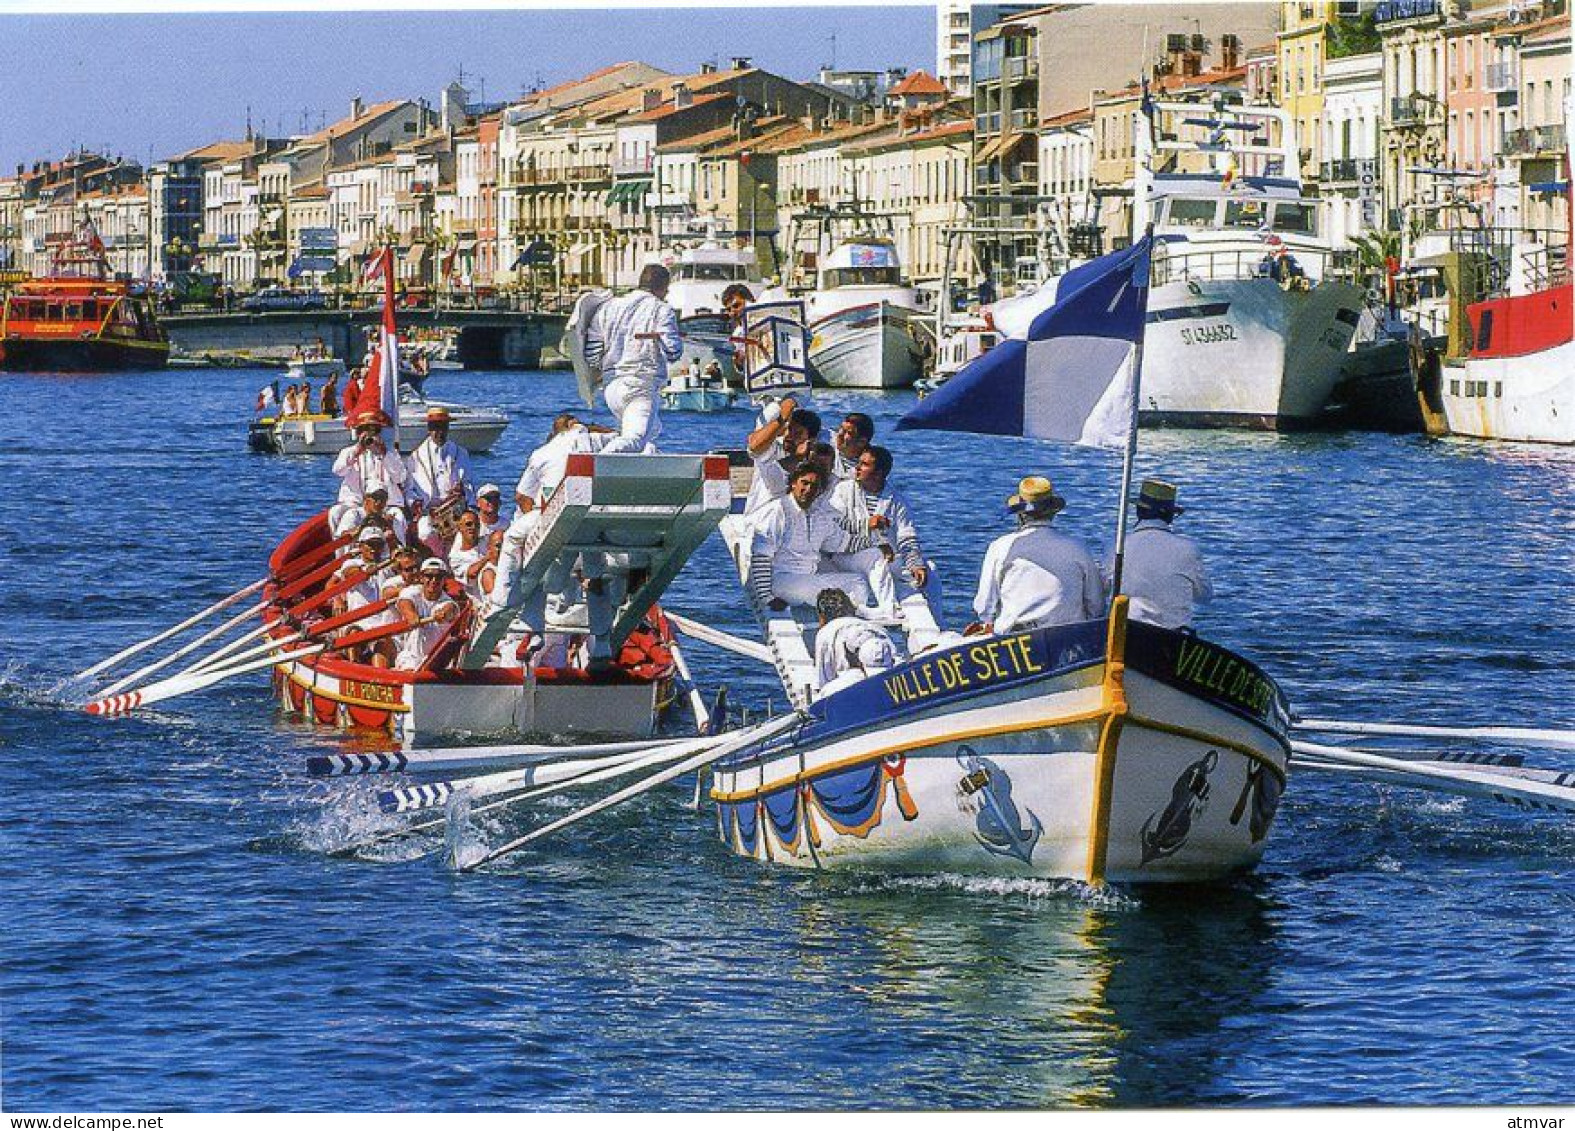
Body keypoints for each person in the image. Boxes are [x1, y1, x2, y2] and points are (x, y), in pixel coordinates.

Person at [969, 476, 1105, 636]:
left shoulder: (1001, 548)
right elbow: (1096, 607)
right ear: (1053, 512)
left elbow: (984, 607)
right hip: (1067, 639)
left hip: (1014, 641)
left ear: (1020, 514)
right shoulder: (1078, 548)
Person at [584, 263, 683, 454]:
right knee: (635, 440)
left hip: (612, 388)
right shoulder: (661, 310)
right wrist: (666, 338)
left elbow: (592, 354)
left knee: (650, 434)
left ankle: (642, 474)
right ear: (662, 287)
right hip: (640, 386)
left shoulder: (607, 308)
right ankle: (594, 466)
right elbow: (673, 352)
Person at [748, 463, 875, 611]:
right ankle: (846, 614)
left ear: (819, 491)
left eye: (814, 486)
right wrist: (767, 598)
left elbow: (846, 543)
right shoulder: (778, 510)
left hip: (809, 579)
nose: (808, 489)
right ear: (794, 483)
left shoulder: (819, 515)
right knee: (823, 589)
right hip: (782, 581)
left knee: (858, 582)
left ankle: (852, 618)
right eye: (804, 483)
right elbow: (760, 556)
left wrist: (876, 544)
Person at [826, 445, 933, 617]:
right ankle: (889, 609)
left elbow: (907, 536)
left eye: (864, 464)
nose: (857, 468)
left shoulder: (897, 500)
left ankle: (937, 627)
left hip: (886, 559)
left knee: (929, 572)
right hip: (846, 555)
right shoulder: (843, 490)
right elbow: (833, 525)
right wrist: (867, 524)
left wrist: (916, 565)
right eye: (859, 463)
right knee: (875, 556)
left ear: (879, 473)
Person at [1112, 479, 1213, 630]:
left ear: (1139, 511)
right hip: (1174, 636)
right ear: (1170, 516)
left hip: (1125, 631)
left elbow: (1103, 590)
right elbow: (1205, 596)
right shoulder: (1188, 549)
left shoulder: (1117, 546)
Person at [329, 410, 409, 535]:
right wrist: (357, 451)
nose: (370, 436)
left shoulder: (390, 453)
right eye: (366, 431)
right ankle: (340, 551)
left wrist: (385, 454)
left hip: (385, 505)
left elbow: (400, 478)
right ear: (359, 433)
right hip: (356, 504)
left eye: (375, 431)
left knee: (398, 517)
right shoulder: (348, 452)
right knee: (335, 512)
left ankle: (399, 550)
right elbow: (338, 471)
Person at [406, 405, 474, 548]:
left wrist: (462, 490)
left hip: (455, 509)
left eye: (443, 427)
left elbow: (469, 484)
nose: (439, 432)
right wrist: (415, 504)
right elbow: (409, 490)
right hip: (429, 511)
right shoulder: (416, 456)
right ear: (429, 429)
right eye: (435, 428)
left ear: (448, 428)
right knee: (425, 533)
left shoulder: (461, 453)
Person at [743, 398, 821, 515]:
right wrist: (782, 418)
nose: (789, 436)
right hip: (762, 519)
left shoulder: (815, 457)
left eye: (798, 434)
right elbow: (754, 447)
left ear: (810, 439)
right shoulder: (774, 448)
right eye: (789, 430)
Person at [812, 587, 896, 691]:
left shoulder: (826, 632)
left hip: (855, 682)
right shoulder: (876, 628)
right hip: (890, 680)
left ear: (822, 616)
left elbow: (823, 679)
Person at [394, 558, 461, 670]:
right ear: (421, 577)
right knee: (409, 669)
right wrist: (411, 615)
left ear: (444, 579)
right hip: (411, 656)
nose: (434, 580)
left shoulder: (449, 602)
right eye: (429, 576)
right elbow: (404, 603)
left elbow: (450, 609)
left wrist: (443, 614)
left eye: (439, 577)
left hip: (437, 660)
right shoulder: (411, 592)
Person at [831, 412, 874, 481]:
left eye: (848, 432)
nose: (840, 434)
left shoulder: (865, 470)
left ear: (862, 442)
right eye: (841, 428)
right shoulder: (826, 439)